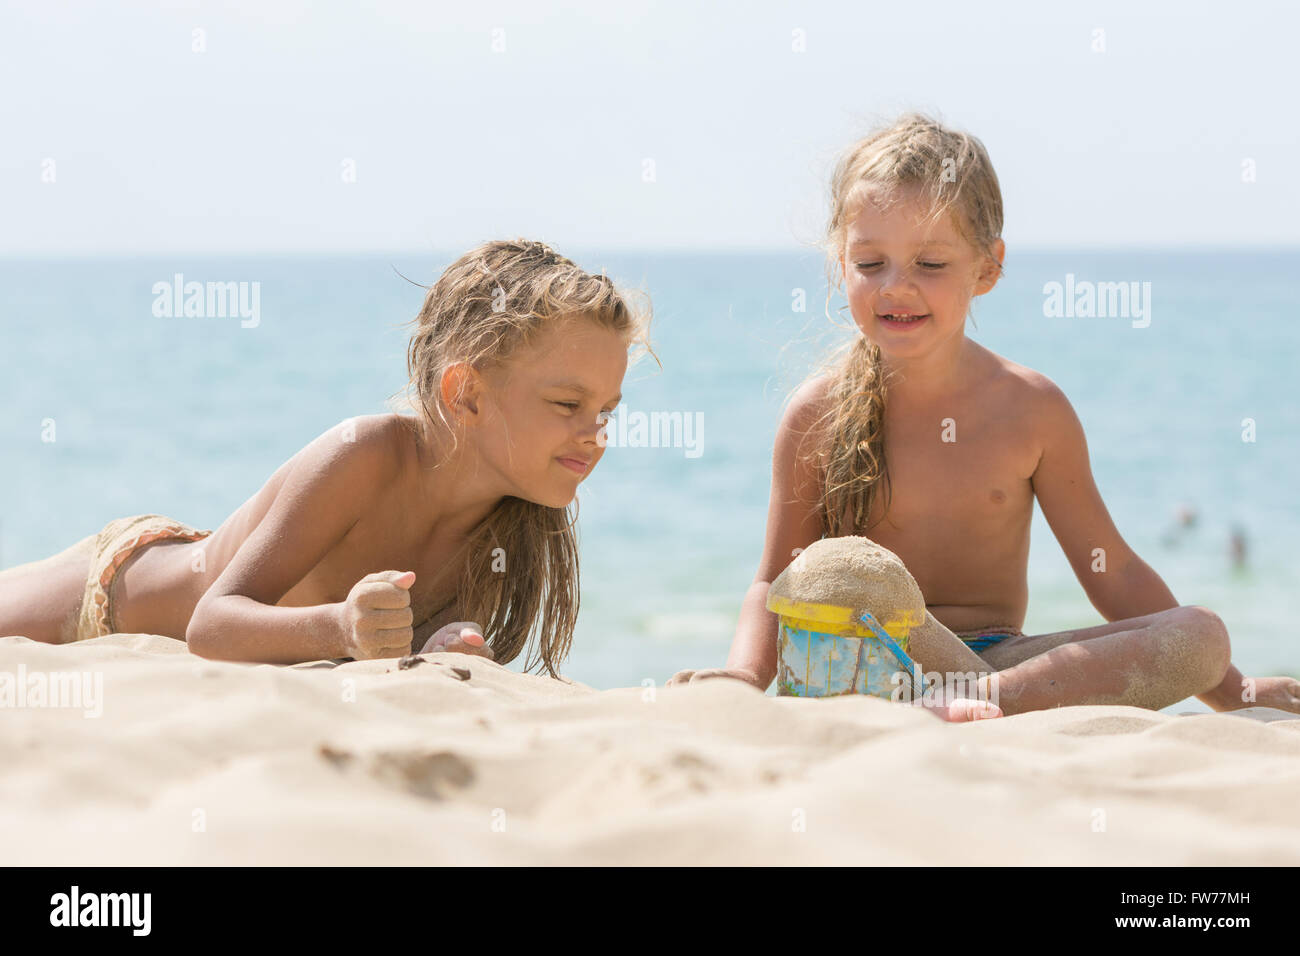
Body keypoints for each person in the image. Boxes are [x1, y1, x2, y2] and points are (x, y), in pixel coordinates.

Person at [669, 113, 1298, 721]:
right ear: (842, 267)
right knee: (833, 575)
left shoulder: (1032, 408)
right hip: (871, 660)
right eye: (870, 264)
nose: (896, 285)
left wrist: (1234, 689)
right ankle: (969, 703)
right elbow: (776, 579)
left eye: (931, 264)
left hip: (1003, 662)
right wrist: (745, 677)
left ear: (988, 267)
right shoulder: (817, 413)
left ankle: (984, 702)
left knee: (1201, 634)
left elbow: (1115, 570)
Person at [0, 239, 650, 674]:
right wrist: (342, 628)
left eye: (607, 411)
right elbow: (211, 625)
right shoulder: (364, 456)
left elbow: (396, 649)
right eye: (568, 405)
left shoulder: (511, 530)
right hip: (107, 597)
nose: (595, 433)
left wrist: (437, 648)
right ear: (467, 393)